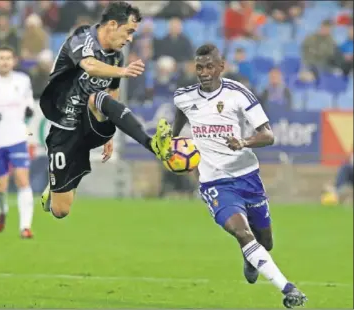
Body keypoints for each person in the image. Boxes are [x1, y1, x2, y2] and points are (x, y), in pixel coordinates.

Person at [172, 44, 307, 308]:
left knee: (264, 241)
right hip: (214, 182)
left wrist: (243, 142)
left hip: (247, 176)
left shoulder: (239, 94)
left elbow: (268, 135)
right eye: (199, 67)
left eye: (210, 66)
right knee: (241, 231)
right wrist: (174, 145)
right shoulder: (184, 97)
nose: (204, 72)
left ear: (221, 67)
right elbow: (178, 121)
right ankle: (288, 290)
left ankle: (250, 257)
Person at [40, 1, 172, 219]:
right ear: (112, 24)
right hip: (64, 124)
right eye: (128, 31)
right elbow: (90, 65)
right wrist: (123, 71)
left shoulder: (116, 56)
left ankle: (151, 143)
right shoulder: (81, 39)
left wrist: (109, 132)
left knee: (95, 97)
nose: (130, 38)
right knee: (61, 210)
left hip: (92, 116)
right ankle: (53, 193)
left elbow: (112, 95)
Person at [0, 46, 35, 238]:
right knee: (1, 186)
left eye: (8, 58)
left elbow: (28, 101)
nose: (4, 61)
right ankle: (2, 212)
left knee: (22, 180)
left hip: (18, 138)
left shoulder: (23, 80)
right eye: (1, 58)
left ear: (14, 61)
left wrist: (28, 110)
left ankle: (25, 227)